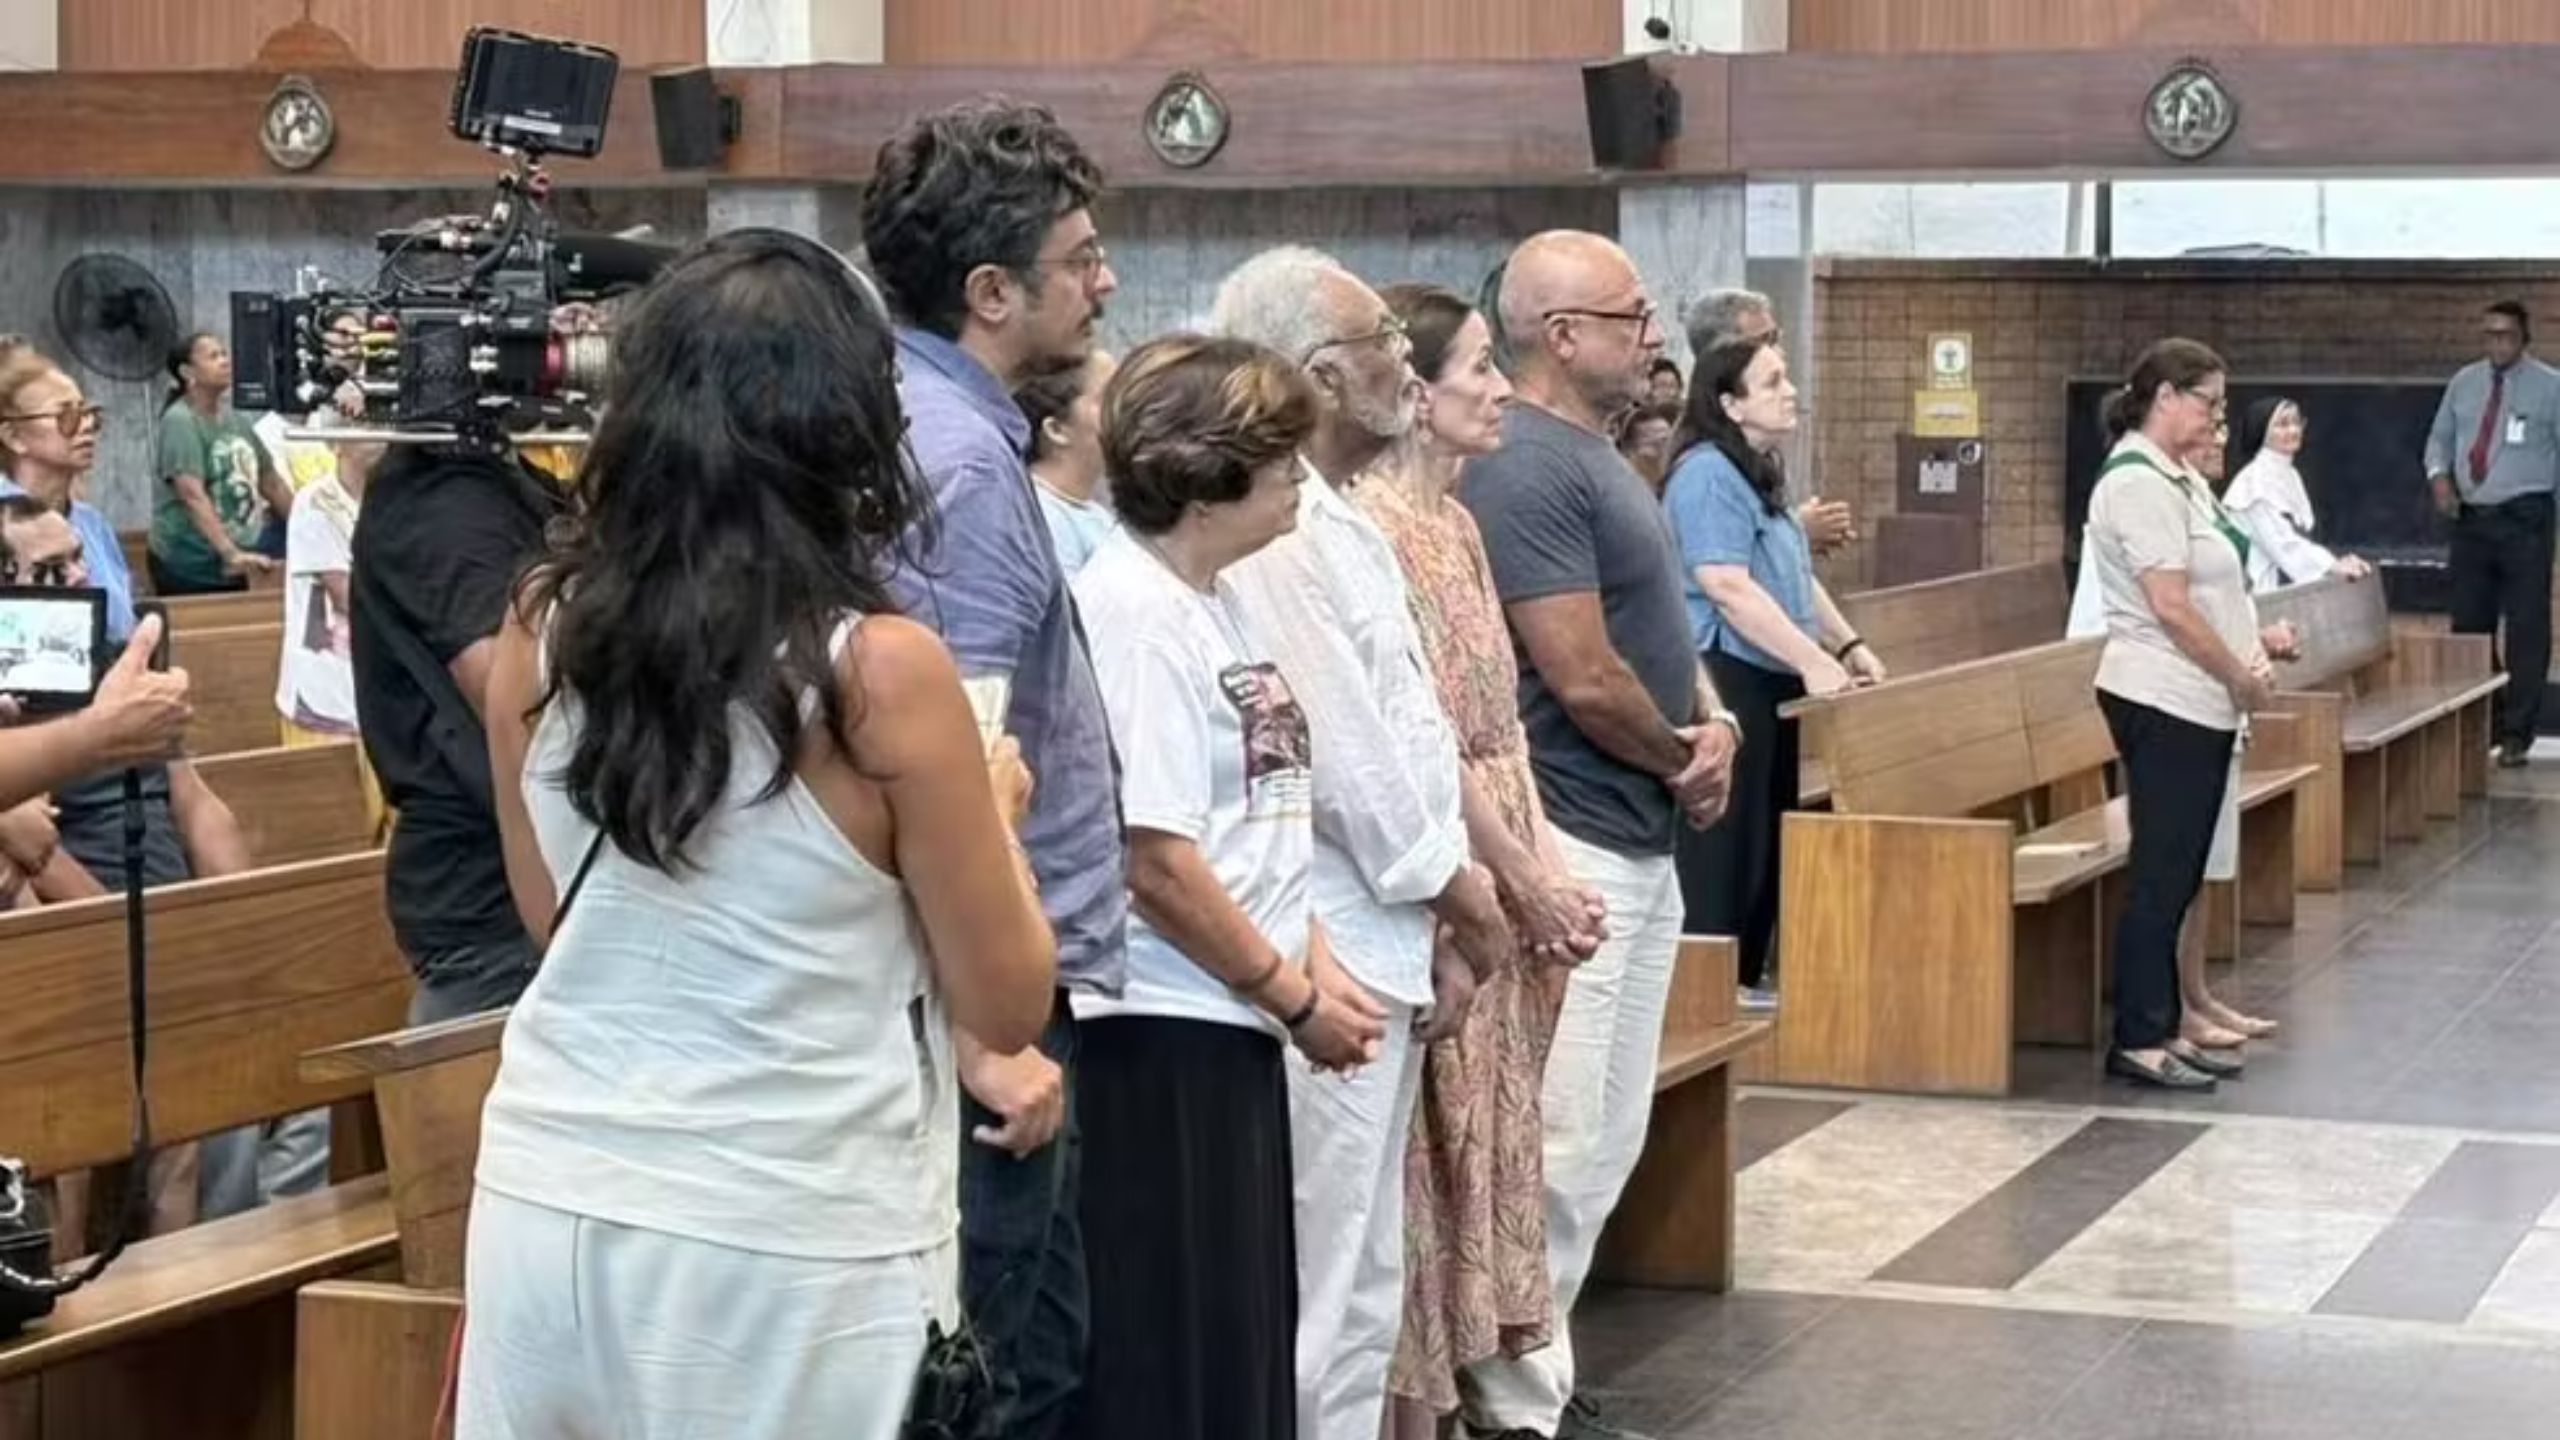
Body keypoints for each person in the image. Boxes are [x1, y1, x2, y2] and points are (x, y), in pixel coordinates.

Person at [458, 229, 1056, 1440]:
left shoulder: (540, 624)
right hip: (784, 1224)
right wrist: (990, 815)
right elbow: (1004, 1003)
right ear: (846, 429)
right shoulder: (875, 671)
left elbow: (550, 912)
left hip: (550, 1190)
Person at [1210, 247, 1516, 1440]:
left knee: (1366, 1283)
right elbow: (1345, 754)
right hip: (1325, 940)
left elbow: (1418, 727)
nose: (1409, 359)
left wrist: (1448, 904)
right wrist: (1460, 892)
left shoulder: (1342, 516)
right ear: (1319, 374)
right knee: (1319, 1283)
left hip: (1392, 933)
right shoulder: (1273, 521)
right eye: (1385, 338)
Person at [861, 97, 1127, 1440]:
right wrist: (988, 1037)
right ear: (989, 291)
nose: (1104, 280)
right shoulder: (957, 461)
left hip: (986, 993)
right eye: (1079, 258)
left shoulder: (931, 420)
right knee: (999, 1386)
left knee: (1031, 1361)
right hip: (984, 1009)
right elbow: (957, 771)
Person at [1070, 334, 1381, 1440]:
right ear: (1209, 479)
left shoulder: (1216, 598)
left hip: (1233, 1012)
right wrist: (1289, 994)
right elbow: (1153, 857)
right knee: (1178, 1346)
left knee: (1244, 1334)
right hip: (1158, 1027)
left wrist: (1311, 961)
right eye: (1281, 461)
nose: (1301, 480)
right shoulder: (1134, 612)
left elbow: (1261, 812)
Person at [1457, 230, 1737, 1440]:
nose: (1652, 336)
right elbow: (1575, 671)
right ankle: (1511, 1404)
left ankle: (1542, 1379)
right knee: (1560, 1138)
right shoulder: (1525, 466)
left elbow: (1655, 630)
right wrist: (1683, 758)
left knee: (1606, 1138)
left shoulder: (1600, 457)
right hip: (1573, 837)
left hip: (1636, 833)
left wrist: (1712, 717)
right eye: (1631, 316)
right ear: (1561, 336)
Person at [1359, 282, 1608, 1438]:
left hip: (1506, 810)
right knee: (1430, 1155)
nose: (1500, 387)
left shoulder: (1457, 522)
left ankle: (1465, 1396)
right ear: (1411, 392)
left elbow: (1502, 730)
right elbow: (1420, 742)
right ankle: (1417, 1407)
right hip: (1448, 846)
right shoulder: (1369, 527)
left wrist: (1548, 862)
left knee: (1495, 1138)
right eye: (1475, 369)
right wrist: (1516, 877)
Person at [1666, 335, 1886, 1009]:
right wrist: (1811, 659)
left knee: (1767, 827)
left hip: (1774, 675)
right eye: (1773, 382)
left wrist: (1846, 647)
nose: (1790, 392)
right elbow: (1728, 586)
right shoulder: (1705, 473)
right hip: (1727, 672)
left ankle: (1748, 971)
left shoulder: (1756, 468)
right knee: (1731, 838)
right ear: (1730, 403)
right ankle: (1713, 982)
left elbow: (1793, 574)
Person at [2084, 339, 2277, 1092]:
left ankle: (2166, 1024)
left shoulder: (2177, 478)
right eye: (2209, 403)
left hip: (2198, 699)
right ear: (2165, 395)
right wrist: (2238, 675)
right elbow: (2169, 605)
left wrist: (2254, 642)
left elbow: (2215, 586)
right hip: (2163, 696)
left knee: (2183, 867)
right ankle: (2139, 1036)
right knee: (2162, 874)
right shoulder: (2135, 482)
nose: (2214, 419)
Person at [352, 432, 562, 1023]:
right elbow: (533, 713)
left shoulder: (496, 475)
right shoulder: (437, 499)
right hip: (498, 923)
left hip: (534, 897)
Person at [2428, 300, 2560, 768]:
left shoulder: (2550, 387)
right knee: (2469, 624)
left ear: (2525, 339)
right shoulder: (2464, 384)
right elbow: (2439, 439)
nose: (2497, 343)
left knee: (2526, 627)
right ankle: (2485, 718)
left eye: (2506, 335)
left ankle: (2518, 732)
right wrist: (2441, 478)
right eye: (2490, 334)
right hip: (2474, 519)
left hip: (2526, 517)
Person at [275, 405, 387, 836]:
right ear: (337, 442)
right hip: (329, 687)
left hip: (378, 687)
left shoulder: (391, 500)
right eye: (365, 425)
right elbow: (346, 594)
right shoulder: (314, 502)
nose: (376, 434)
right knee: (343, 829)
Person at [1683, 288, 1854, 558]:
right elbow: (1726, 580)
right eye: (1765, 340)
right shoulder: (1707, 472)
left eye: (1777, 337)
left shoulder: (1757, 453)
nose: (1779, 351)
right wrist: (1798, 532)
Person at [151, 332, 291, 595]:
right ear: (186, 371)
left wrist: (305, 526)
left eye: (225, 354)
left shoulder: (237, 420)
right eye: (213, 356)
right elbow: (192, 495)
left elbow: (271, 482)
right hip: (191, 564)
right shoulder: (180, 421)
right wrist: (230, 553)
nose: (225, 361)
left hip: (241, 559)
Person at [2223, 398, 2373, 592]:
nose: (2293, 431)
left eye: (2296, 422)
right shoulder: (2253, 483)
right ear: (2261, 429)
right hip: (2260, 593)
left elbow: (2302, 537)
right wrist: (2332, 565)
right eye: (2283, 424)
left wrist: (2337, 562)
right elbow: (2283, 545)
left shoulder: (2290, 474)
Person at [1016, 351, 1119, 576]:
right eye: (1106, 399)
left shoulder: (1096, 512)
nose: (1123, 410)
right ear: (1057, 430)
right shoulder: (1042, 517)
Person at [1615, 402, 1679, 494]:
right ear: (1628, 449)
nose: (1663, 452)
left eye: (1666, 439)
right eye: (1653, 445)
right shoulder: (1619, 488)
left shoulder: (1679, 481)